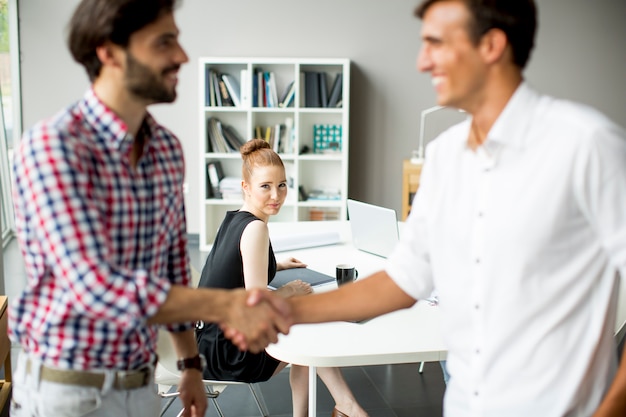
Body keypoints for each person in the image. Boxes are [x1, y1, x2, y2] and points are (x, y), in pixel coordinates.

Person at [230, 1, 626, 416]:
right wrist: (288, 311)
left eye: (435, 44)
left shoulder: (587, 145)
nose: (422, 61)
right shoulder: (444, 157)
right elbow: (403, 280)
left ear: (491, 45)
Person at [9, 1, 290, 417]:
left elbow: (172, 267)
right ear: (109, 52)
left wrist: (190, 364)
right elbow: (93, 286)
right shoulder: (53, 147)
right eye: (165, 42)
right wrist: (223, 306)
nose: (182, 56)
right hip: (66, 392)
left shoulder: (165, 150)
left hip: (139, 384)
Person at [196, 139, 368, 417]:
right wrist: (288, 290)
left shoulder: (235, 219)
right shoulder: (255, 229)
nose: (276, 195)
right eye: (265, 186)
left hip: (208, 340)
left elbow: (235, 267)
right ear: (246, 187)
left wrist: (276, 265)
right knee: (305, 327)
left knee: (302, 328)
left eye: (282, 185)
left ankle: (340, 407)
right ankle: (348, 407)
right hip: (228, 354)